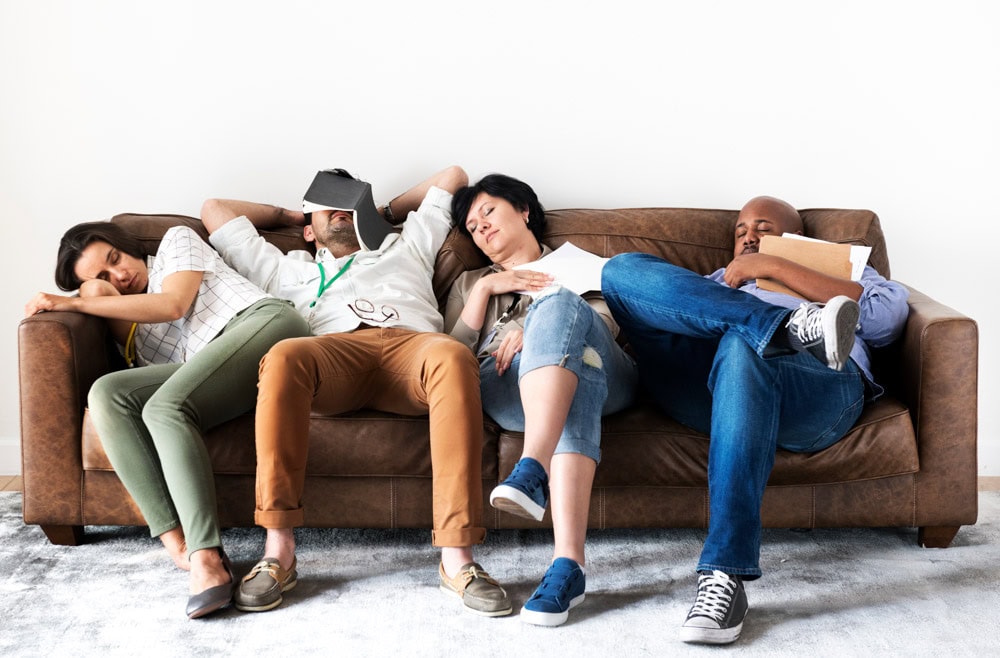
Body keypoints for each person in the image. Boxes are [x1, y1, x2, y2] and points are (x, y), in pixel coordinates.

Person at [200, 165, 512, 617]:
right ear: (309, 231)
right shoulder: (285, 268)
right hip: (333, 356)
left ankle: (457, 558)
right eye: (326, 206)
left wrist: (379, 212)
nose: (339, 210)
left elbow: (453, 175)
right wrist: (291, 214)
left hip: (412, 348)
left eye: (347, 202)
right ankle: (278, 551)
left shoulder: (406, 244)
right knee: (283, 355)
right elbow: (213, 210)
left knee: (452, 355)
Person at [600, 196, 910, 645]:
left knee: (743, 344)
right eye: (741, 230)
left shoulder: (848, 272)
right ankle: (781, 327)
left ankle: (724, 573)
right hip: (711, 393)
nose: (748, 237)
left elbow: (885, 321)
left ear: (795, 237)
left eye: (762, 228)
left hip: (815, 395)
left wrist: (775, 266)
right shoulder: (716, 282)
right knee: (621, 270)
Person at [24, 221, 311, 619]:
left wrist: (74, 302)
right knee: (107, 393)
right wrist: (95, 294)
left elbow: (173, 305)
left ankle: (206, 555)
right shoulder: (131, 327)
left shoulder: (176, 243)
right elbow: (164, 366)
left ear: (126, 246)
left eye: (115, 259)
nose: (119, 275)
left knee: (164, 407)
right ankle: (181, 547)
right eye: (103, 277)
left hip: (263, 326)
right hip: (211, 368)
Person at [444, 174, 638, 626]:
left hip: (610, 373)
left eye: (488, 212)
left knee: (563, 310)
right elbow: (451, 357)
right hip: (507, 384)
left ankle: (531, 467)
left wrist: (532, 327)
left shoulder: (579, 264)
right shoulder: (469, 283)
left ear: (524, 210)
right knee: (577, 379)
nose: (481, 227)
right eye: (472, 227)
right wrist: (486, 290)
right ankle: (568, 564)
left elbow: (606, 326)